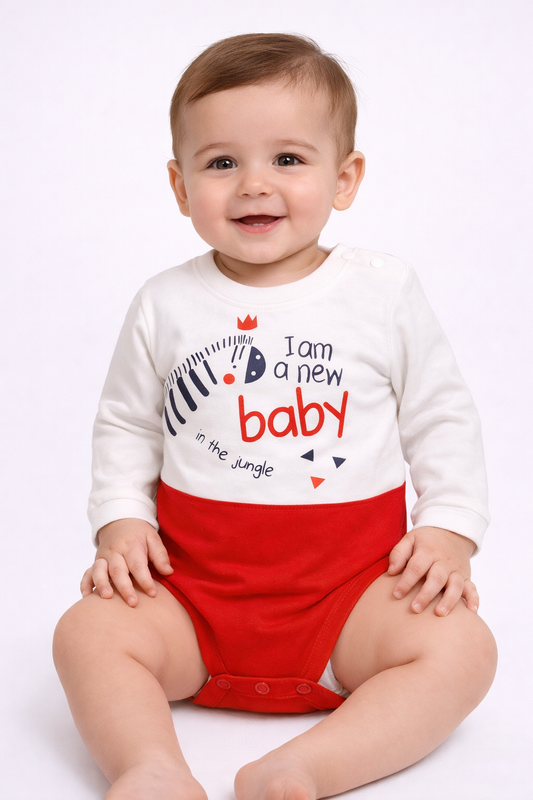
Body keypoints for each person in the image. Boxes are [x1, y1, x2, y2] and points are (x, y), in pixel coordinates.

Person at [53, 32, 497, 800]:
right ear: (179, 185)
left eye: (287, 159)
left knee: (464, 651)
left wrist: (449, 526)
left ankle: (305, 769)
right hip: (190, 598)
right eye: (221, 162)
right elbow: (126, 423)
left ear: (344, 177)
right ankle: (150, 768)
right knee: (84, 634)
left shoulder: (382, 291)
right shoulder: (166, 302)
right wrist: (121, 522)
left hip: (352, 599)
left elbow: (440, 413)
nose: (253, 184)